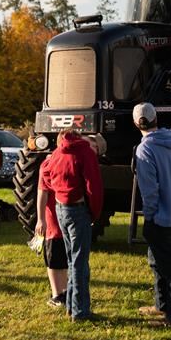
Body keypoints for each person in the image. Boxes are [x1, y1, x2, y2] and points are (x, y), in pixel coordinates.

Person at [38, 129, 103, 322]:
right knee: (80, 263)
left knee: (72, 259)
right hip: (78, 209)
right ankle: (80, 311)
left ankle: (71, 306)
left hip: (61, 209)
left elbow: (46, 176)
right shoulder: (85, 153)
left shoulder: (57, 154)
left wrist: (59, 190)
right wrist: (94, 212)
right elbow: (94, 186)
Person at [133, 102, 171, 327]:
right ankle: (161, 304)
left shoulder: (144, 149)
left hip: (160, 217)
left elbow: (149, 190)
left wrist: (150, 217)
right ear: (157, 118)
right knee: (158, 261)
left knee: (170, 267)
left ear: (136, 123)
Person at [34, 153, 68, 309]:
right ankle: (64, 292)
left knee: (53, 261)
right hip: (63, 220)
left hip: (54, 222)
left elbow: (42, 192)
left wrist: (41, 220)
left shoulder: (48, 163)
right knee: (62, 259)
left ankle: (57, 294)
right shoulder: (71, 160)